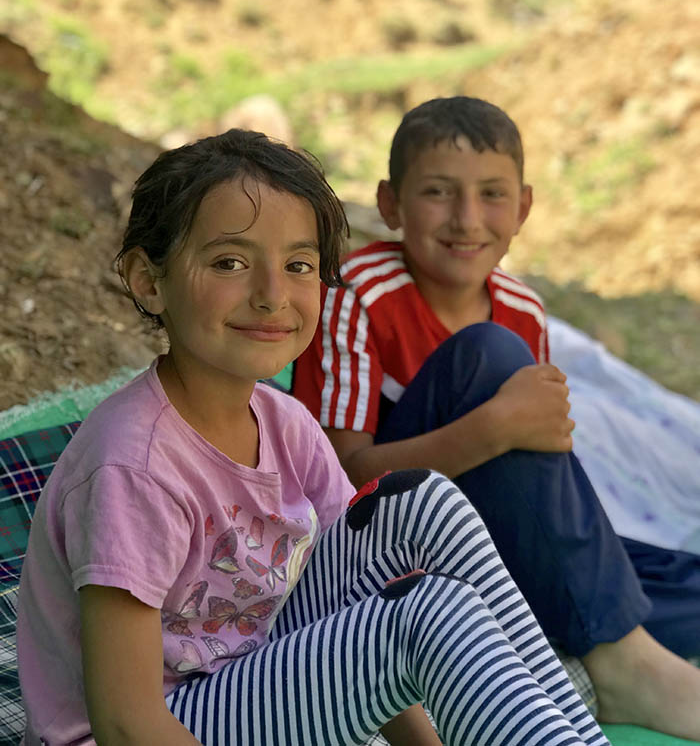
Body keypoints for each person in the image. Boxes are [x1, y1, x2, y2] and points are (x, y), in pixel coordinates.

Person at [16, 128, 609, 746]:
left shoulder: (285, 423)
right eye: (230, 263)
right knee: (426, 613)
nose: (273, 295)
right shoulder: (133, 466)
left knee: (419, 504)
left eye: (298, 265)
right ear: (148, 280)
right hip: (161, 725)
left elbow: (360, 599)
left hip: (252, 679)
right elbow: (124, 722)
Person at [293, 96, 700, 742]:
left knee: (677, 578)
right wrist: (495, 428)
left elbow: (536, 480)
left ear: (524, 207)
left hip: (494, 549)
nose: (466, 218)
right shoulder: (356, 295)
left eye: (491, 194)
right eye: (437, 192)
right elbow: (343, 487)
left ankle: (589, 641)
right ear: (391, 203)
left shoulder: (522, 307)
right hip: (394, 551)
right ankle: (623, 665)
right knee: (487, 355)